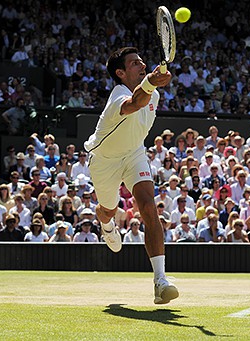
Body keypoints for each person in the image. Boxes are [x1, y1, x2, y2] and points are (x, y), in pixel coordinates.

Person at [83, 47, 178, 304]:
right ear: (120, 73)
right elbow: (136, 103)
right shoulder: (118, 95)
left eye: (142, 61)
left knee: (149, 208)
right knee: (108, 209)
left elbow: (144, 99)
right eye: (135, 63)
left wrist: (150, 84)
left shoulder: (153, 95)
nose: (142, 65)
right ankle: (106, 223)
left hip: (134, 153)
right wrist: (149, 82)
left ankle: (160, 281)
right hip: (104, 160)